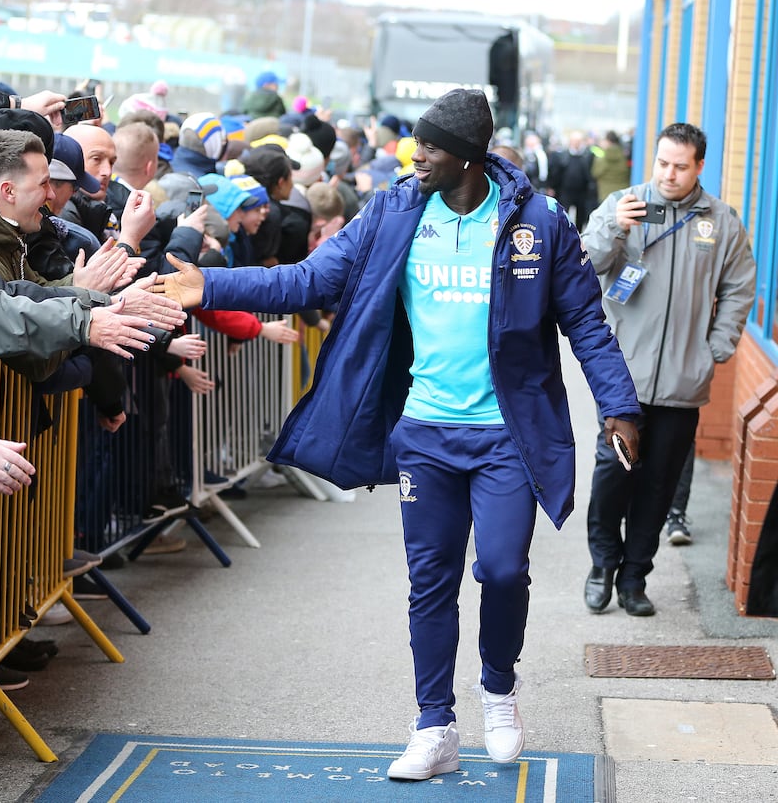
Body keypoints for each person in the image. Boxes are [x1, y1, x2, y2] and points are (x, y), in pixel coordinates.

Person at [151, 88, 641, 779]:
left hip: (507, 436)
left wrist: (619, 404)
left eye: (432, 148)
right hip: (425, 432)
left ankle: (498, 688)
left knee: (502, 571)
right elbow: (311, 278)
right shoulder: (394, 211)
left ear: (469, 157)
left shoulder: (538, 224)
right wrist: (212, 286)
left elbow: (586, 323)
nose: (417, 158)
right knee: (430, 583)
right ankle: (434, 725)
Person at [582, 122, 755, 616]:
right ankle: (602, 565)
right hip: (623, 381)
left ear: (700, 166)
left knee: (657, 487)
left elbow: (740, 285)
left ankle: (635, 578)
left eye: (680, 166)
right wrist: (616, 224)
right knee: (613, 477)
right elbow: (585, 263)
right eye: (662, 163)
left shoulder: (720, 222)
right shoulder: (624, 204)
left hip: (683, 381)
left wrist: (717, 346)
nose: (669, 174)